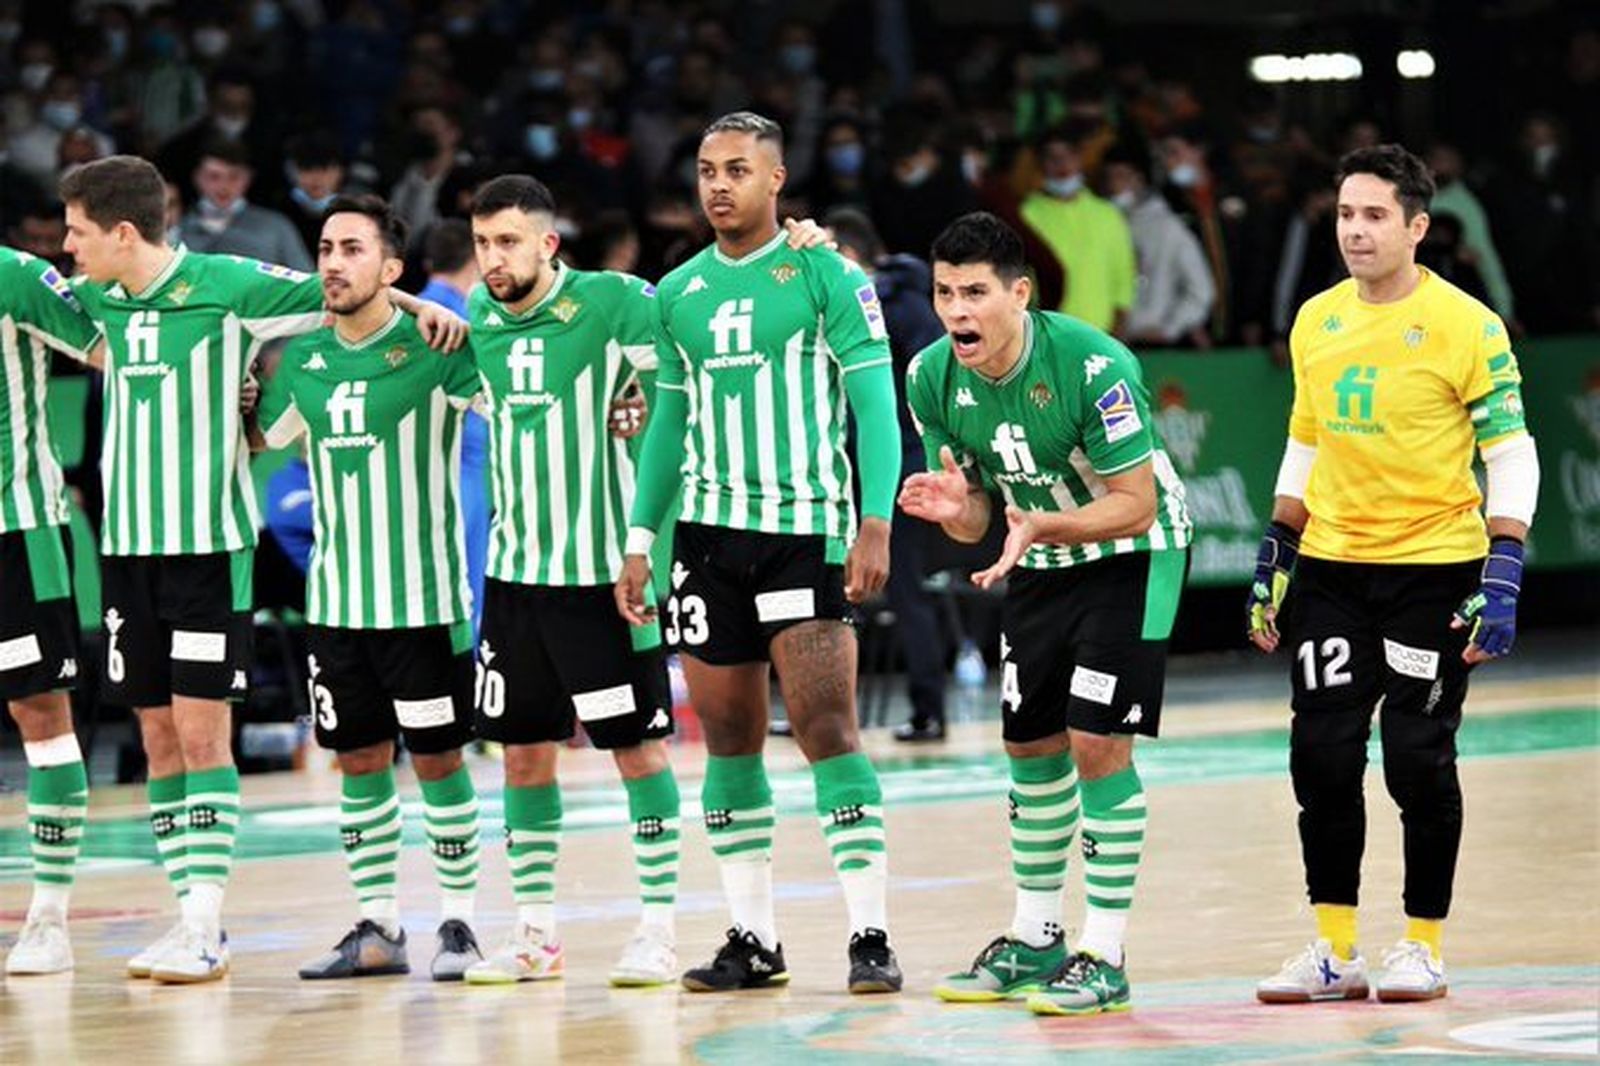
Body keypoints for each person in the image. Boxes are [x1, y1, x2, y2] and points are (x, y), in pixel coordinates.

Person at [57, 155, 464, 984]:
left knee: (205, 735)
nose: (67, 248)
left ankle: (208, 925)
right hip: (127, 554)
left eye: (77, 232)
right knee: (158, 735)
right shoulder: (97, 298)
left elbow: (339, 292)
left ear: (123, 232)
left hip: (210, 549)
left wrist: (421, 303)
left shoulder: (230, 282)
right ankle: (187, 917)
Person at [615, 111, 904, 995]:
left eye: (737, 169)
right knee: (731, 741)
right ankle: (753, 936)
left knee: (826, 730)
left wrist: (874, 518)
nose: (717, 185)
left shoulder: (827, 275)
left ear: (776, 180)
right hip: (707, 543)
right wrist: (641, 541)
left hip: (803, 535)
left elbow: (875, 404)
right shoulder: (676, 292)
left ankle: (870, 937)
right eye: (706, 169)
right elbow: (666, 424)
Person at [1250, 145, 1540, 1005]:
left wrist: (1505, 568)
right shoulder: (1316, 321)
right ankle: (1336, 950)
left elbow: (1511, 454)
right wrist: (1277, 553)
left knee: (1416, 761)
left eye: (1375, 215)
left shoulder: (1469, 325)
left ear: (1417, 227)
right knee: (1323, 756)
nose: (1356, 230)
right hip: (1335, 570)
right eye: (1345, 214)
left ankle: (1422, 943)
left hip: (1432, 571)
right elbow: (1306, 442)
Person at [899, 211, 1191, 1015]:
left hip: (1133, 554)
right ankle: (1036, 937)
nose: (958, 311)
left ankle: (1104, 952)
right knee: (1028, 746)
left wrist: (1037, 525)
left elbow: (1135, 505)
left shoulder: (1094, 364)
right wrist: (960, 509)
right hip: (1041, 552)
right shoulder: (930, 377)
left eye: (976, 293)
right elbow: (975, 519)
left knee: (1097, 742)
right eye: (944, 293)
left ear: (1020, 294)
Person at [452, 174, 684, 987]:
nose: (493, 259)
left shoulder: (618, 301)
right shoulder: (478, 314)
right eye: (482, 243)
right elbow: (429, 329)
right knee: (521, 758)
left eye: (508, 241)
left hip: (605, 577)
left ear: (549, 243)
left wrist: (644, 415)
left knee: (638, 753)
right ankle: (535, 935)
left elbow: (680, 385)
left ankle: (658, 931)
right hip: (514, 580)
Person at [253, 194, 485, 982]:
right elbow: (261, 435)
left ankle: (460, 924)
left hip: (423, 602)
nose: (331, 263)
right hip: (337, 606)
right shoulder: (306, 361)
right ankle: (378, 926)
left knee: (440, 761)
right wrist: (243, 399)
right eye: (324, 248)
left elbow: (523, 400)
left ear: (391, 267)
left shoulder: (440, 346)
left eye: (352, 249)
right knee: (357, 760)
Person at [0, 246, 104, 975]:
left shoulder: (17, 276)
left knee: (40, 714)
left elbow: (121, 346)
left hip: (16, 528)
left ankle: (48, 918)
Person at [825, 205, 950, 742]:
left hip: (900, 465)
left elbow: (930, 376)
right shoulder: (833, 307)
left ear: (850, 254)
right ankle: (827, 714)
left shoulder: (902, 306)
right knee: (826, 592)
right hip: (840, 465)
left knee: (904, 590)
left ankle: (930, 709)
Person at [417, 219, 489, 638]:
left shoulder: (406, 313)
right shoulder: (469, 322)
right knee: (463, 600)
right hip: (462, 475)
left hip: (412, 480)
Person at [1019, 124, 1137, 335]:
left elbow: (1123, 280)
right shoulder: (1026, 216)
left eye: (1069, 156)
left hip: (1100, 338)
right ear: (1040, 164)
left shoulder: (1107, 214)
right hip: (1045, 338)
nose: (1062, 165)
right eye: (1052, 158)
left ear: (1080, 159)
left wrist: (1117, 336)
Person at [1103, 141, 1215, 348]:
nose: (1114, 185)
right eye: (1108, 178)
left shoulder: (1168, 227)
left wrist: (1170, 328)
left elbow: (1201, 290)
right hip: (1104, 339)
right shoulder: (1098, 224)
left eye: (1122, 176)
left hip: (1152, 342)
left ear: (1141, 180)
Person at [177, 139, 313, 271]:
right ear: (197, 178)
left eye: (234, 177)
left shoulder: (277, 226)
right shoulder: (178, 225)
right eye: (214, 176)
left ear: (248, 178)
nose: (224, 186)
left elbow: (306, 281)